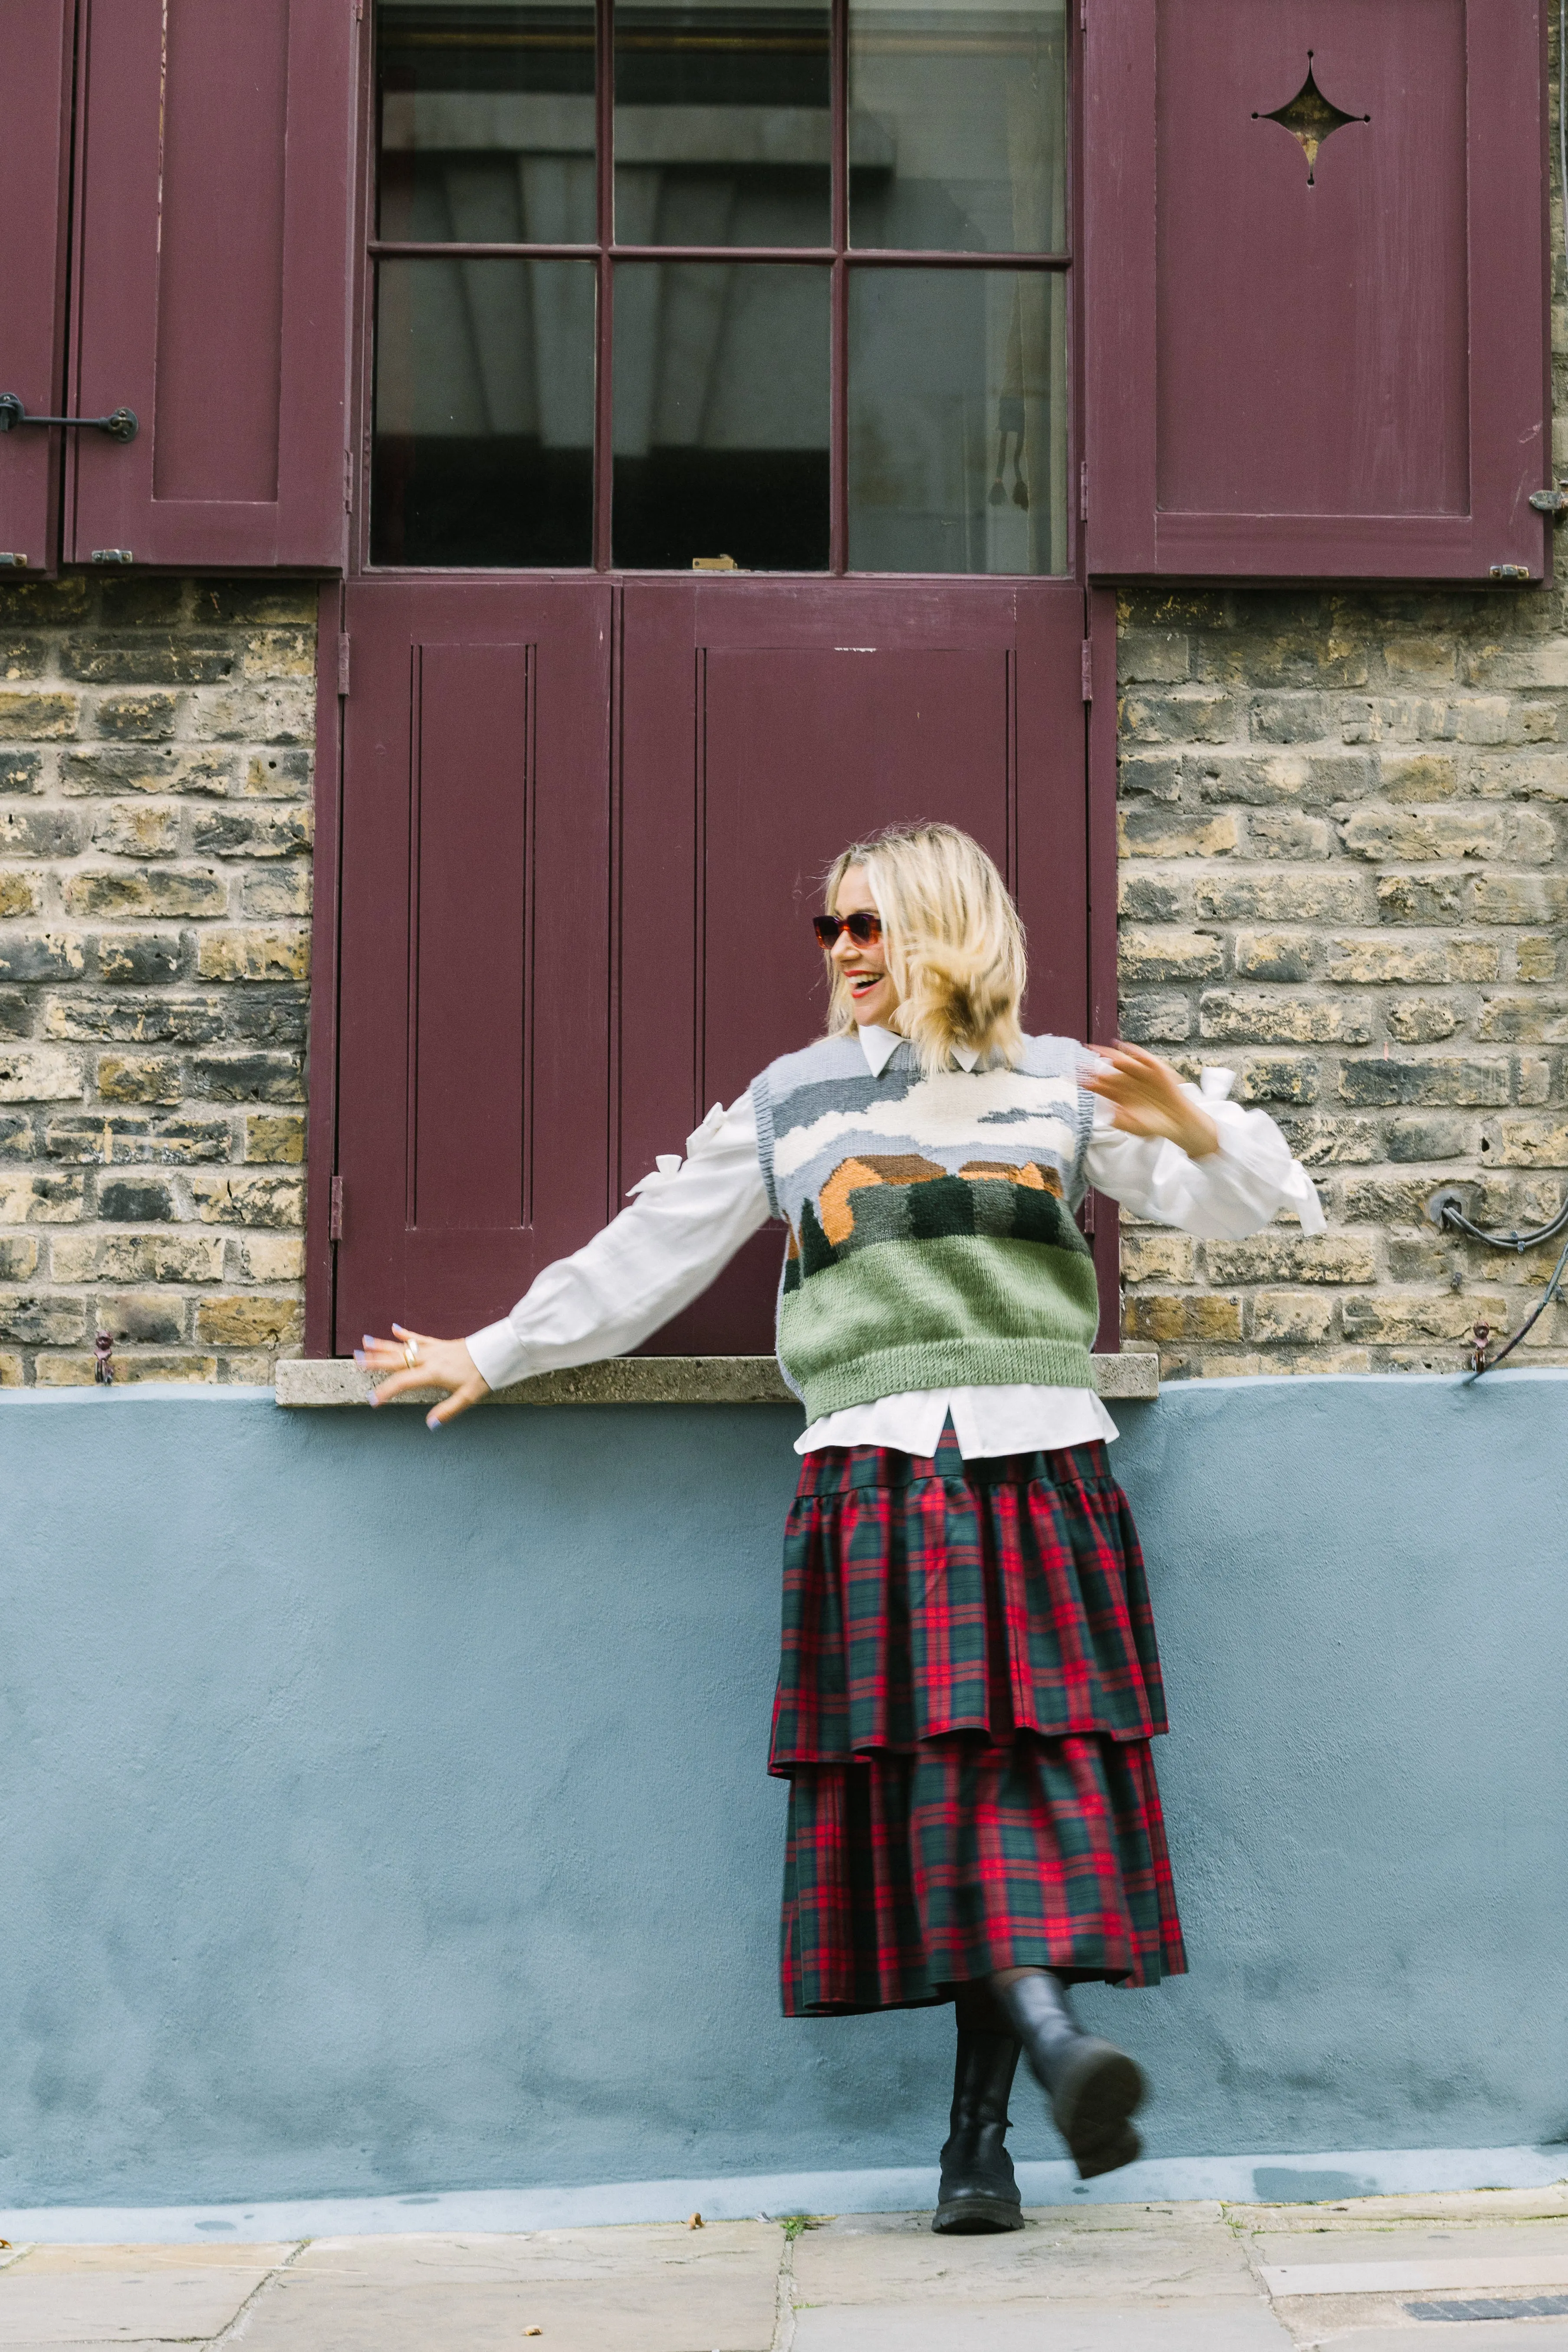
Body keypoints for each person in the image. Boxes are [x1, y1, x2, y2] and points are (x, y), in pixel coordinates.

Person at [361, 822, 1324, 2234]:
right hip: (876, 1478)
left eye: (868, 926)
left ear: (947, 927)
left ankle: (984, 2138)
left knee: (1021, 1788)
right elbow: (650, 1250)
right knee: (940, 1790)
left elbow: (1274, 1212)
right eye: (832, 931)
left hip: (1043, 1467)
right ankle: (1039, 2066)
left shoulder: (1065, 1088)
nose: (844, 954)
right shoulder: (795, 1101)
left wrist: (1195, 1127)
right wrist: (495, 1350)